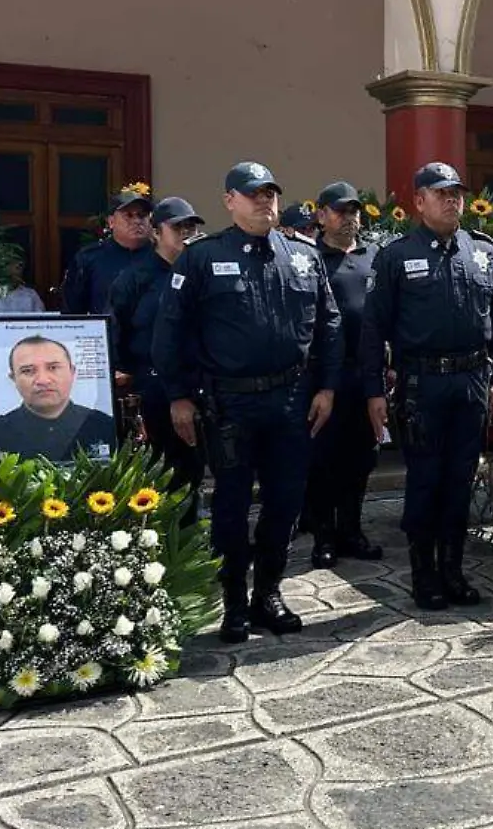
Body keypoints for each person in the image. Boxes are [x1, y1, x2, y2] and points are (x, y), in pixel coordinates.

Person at [154, 161, 342, 642]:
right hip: (231, 405)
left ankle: (269, 594)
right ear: (229, 201)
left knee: (285, 503)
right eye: (253, 193)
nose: (265, 201)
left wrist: (326, 386)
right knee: (232, 508)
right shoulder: (201, 258)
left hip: (293, 401)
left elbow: (330, 325)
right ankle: (235, 601)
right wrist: (178, 395)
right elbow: (170, 331)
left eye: (271, 193)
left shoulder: (303, 256)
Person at [361, 162, 493, 610]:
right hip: (422, 384)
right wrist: (373, 391)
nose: (452, 200)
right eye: (440, 192)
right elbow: (373, 328)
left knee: (461, 481)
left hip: (470, 382)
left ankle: (454, 571)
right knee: (426, 481)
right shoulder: (396, 256)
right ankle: (424, 575)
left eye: (457, 192)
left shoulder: (482, 252)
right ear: (418, 201)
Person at [301, 182, 386, 569]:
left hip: (366, 376)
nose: (349, 218)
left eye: (354, 211)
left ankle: (352, 529)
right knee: (323, 460)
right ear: (321, 215)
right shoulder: (309, 258)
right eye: (340, 211)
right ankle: (324, 536)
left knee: (361, 458)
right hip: (323, 379)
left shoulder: (375, 258)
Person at [109, 196, 207, 502]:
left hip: (196, 386)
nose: (186, 233)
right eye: (178, 227)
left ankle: (188, 543)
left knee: (192, 472)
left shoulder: (201, 274)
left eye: (191, 226)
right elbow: (114, 330)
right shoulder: (134, 278)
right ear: (156, 233)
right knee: (154, 476)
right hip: (150, 388)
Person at [0, 335, 118, 461]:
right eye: (28, 370)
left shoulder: (105, 426)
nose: (43, 380)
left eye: (53, 367)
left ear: (72, 372)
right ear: (13, 378)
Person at [62, 184, 153, 314]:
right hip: (107, 332)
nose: (137, 221)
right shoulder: (90, 258)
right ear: (111, 222)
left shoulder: (161, 255)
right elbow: (73, 312)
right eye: (128, 215)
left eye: (142, 215)